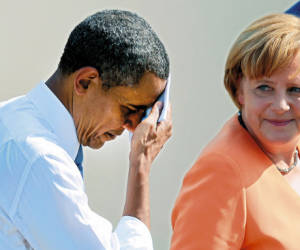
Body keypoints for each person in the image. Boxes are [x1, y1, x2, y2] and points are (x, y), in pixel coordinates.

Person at [0, 10, 172, 250]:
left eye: (144, 114)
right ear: (85, 82)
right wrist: (140, 165)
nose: (134, 127)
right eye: (130, 109)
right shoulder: (42, 161)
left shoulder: (10, 118)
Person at [171, 12, 300, 249]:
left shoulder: (294, 149)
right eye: (264, 88)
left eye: (295, 89)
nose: (281, 106)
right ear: (239, 90)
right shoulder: (220, 171)